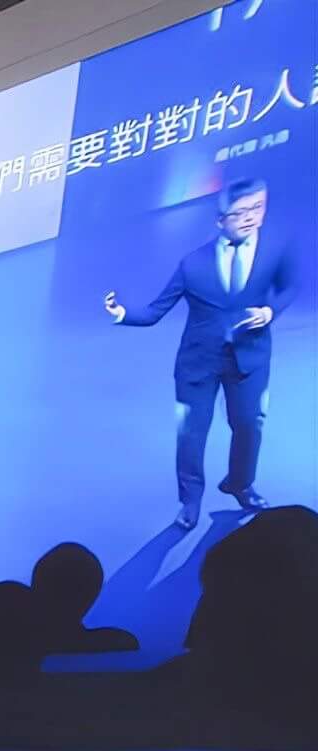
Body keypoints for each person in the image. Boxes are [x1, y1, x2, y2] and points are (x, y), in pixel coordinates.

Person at [104, 176, 295, 529]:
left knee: (249, 425)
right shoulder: (193, 263)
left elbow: (290, 286)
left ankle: (240, 483)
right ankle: (190, 500)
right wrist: (122, 313)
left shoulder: (273, 251)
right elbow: (155, 311)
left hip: (250, 360)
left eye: (256, 208)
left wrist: (270, 312)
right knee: (191, 435)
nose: (250, 218)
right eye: (240, 213)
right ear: (220, 220)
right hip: (198, 365)